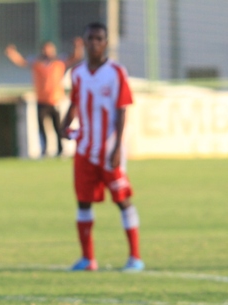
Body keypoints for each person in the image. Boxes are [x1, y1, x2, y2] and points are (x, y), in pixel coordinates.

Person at [61, 22, 143, 272]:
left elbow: (121, 111)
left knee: (122, 200)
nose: (94, 43)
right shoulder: (77, 73)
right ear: (84, 42)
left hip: (109, 151)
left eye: (99, 38)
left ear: (105, 43)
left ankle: (135, 257)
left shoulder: (117, 72)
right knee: (83, 202)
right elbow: (75, 103)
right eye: (90, 38)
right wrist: (65, 124)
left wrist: (118, 147)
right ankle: (88, 259)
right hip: (85, 149)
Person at [5, 38, 83, 157]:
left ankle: (60, 150)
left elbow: (75, 57)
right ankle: (44, 150)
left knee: (58, 127)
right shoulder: (37, 63)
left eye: (50, 49)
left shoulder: (59, 62)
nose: (48, 52)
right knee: (42, 128)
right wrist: (12, 53)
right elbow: (22, 62)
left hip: (56, 100)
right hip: (41, 100)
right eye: (46, 49)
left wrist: (78, 47)